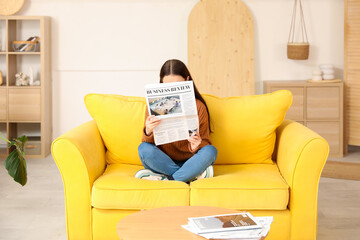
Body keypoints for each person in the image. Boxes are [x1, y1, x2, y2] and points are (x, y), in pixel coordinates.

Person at [135, 59, 217, 182]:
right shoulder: (152, 106)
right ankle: (190, 175)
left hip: (191, 160)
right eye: (168, 85)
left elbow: (205, 142)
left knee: (210, 151)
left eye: (178, 85)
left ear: (187, 80)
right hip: (164, 162)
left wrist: (196, 146)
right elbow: (148, 145)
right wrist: (148, 131)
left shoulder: (199, 106)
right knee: (143, 149)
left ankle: (168, 179)